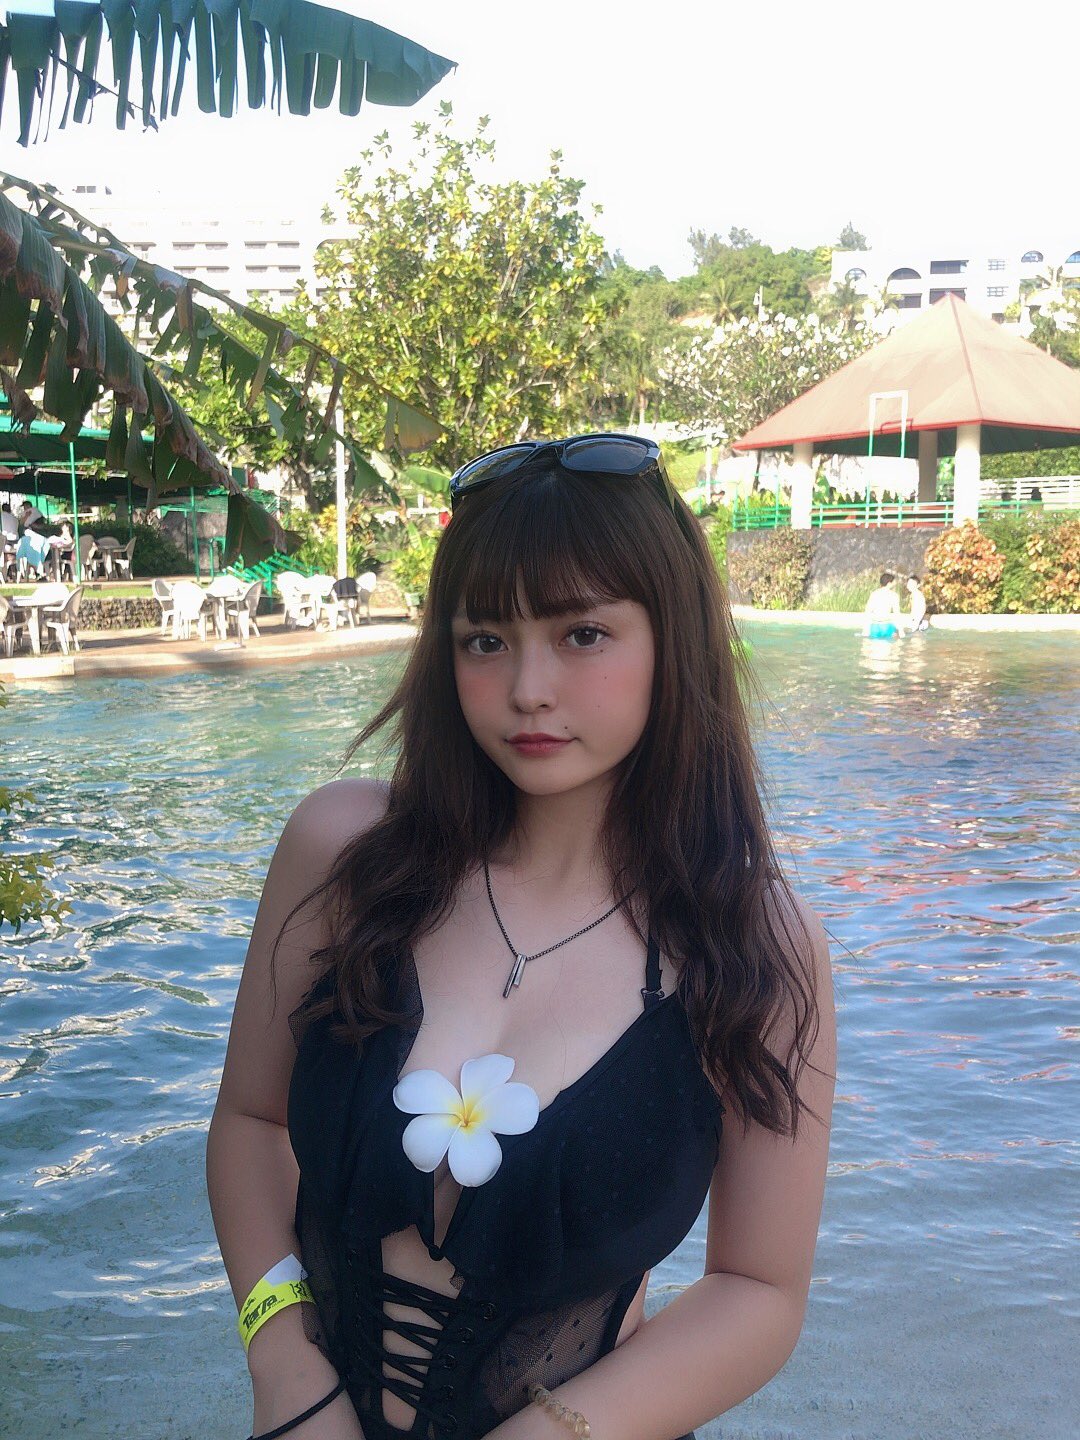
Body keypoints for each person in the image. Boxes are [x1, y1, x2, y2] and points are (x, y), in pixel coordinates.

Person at [207, 432, 836, 1440]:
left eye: (583, 633)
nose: (528, 688)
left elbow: (758, 1288)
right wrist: (285, 1369)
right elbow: (251, 1122)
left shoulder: (750, 942)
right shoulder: (345, 854)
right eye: (485, 639)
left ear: (672, 638)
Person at [862, 571, 902, 639]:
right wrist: (901, 631)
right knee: (889, 643)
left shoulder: (874, 594)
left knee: (874, 644)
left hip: (875, 626)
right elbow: (897, 614)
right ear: (889, 583)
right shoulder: (894, 595)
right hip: (887, 625)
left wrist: (865, 629)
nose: (895, 584)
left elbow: (868, 611)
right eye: (893, 582)